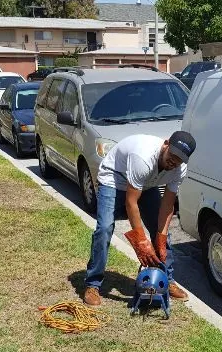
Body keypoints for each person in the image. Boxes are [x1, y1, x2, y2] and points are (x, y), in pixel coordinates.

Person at [83, 130, 196, 306]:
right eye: (172, 155)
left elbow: (167, 206)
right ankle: (93, 284)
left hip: (147, 182)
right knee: (104, 228)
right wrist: (141, 241)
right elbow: (131, 203)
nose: (173, 162)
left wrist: (161, 236)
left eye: (179, 159)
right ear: (166, 144)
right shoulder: (143, 157)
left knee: (161, 233)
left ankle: (167, 280)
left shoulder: (179, 169)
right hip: (114, 178)